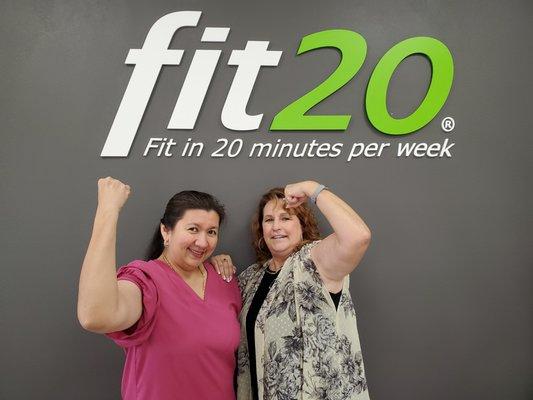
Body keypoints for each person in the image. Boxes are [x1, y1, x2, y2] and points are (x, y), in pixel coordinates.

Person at [77, 177, 241, 400]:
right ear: (166, 231)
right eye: (193, 229)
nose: (203, 242)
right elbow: (95, 316)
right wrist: (108, 211)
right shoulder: (146, 280)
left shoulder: (225, 280)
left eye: (211, 232)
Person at [212, 181, 371, 400]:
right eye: (269, 220)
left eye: (285, 218)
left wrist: (312, 189)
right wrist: (215, 263)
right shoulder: (251, 278)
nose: (276, 226)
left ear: (302, 224)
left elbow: (358, 237)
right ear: (262, 230)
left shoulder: (315, 262)